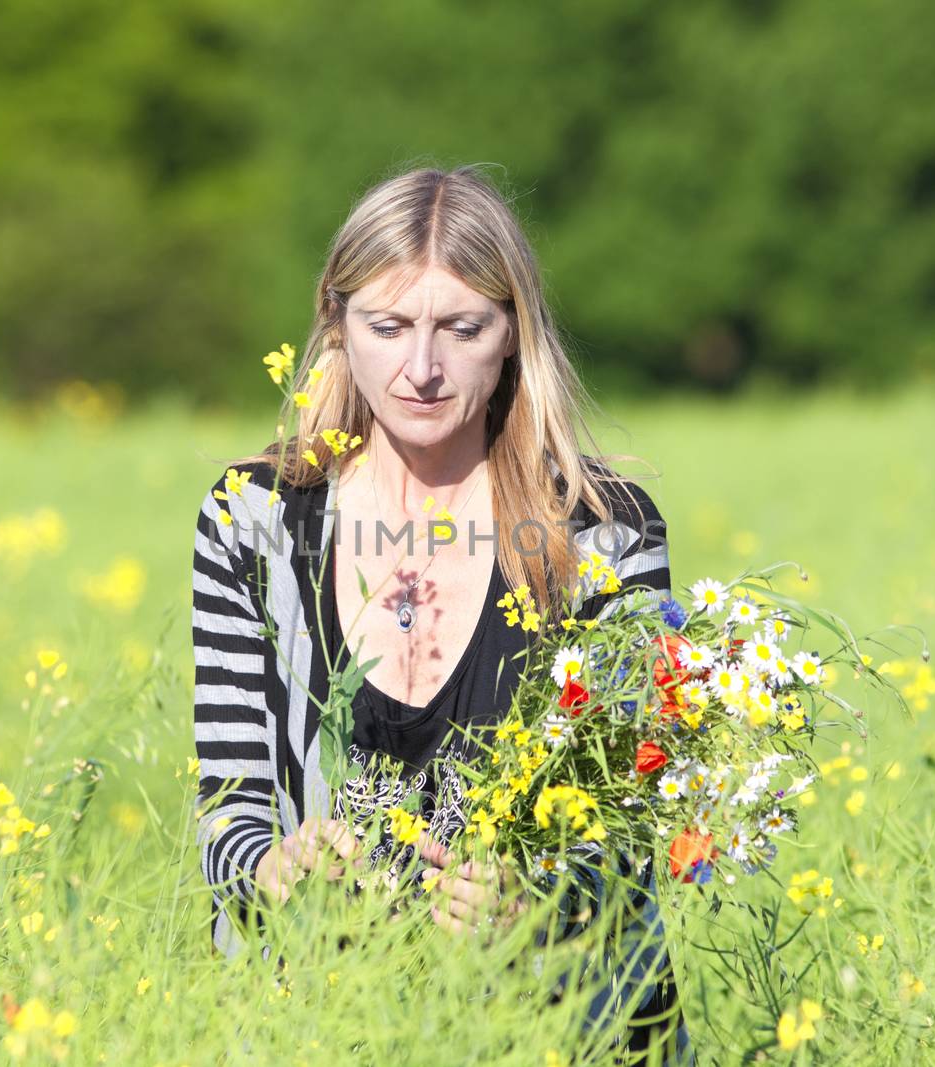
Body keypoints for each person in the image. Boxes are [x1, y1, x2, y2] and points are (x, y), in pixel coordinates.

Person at [191, 164, 691, 1064]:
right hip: (320, 1022)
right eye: (388, 327)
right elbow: (226, 804)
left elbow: (638, 816)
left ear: (512, 338)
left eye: (462, 329)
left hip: (564, 1025)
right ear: (335, 324)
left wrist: (537, 899)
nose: (421, 370)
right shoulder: (253, 519)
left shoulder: (606, 533)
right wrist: (277, 868)